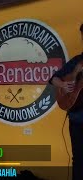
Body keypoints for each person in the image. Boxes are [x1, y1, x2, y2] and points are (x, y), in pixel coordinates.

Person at [49, 24, 83, 180]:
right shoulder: (77, 61)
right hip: (77, 119)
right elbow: (53, 78)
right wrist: (63, 85)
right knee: (79, 160)